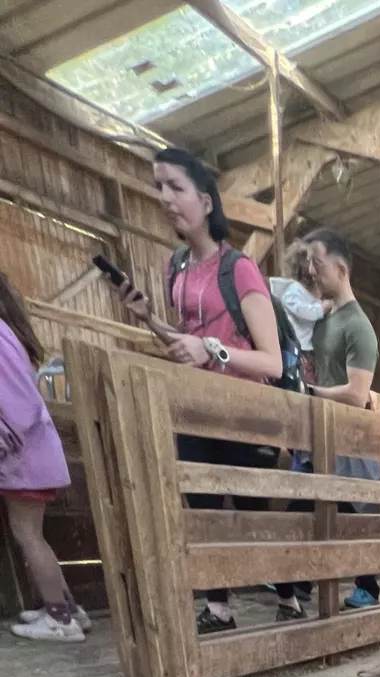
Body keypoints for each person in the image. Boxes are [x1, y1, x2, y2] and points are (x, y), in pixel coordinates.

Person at [116, 146, 303, 633]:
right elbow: (187, 345)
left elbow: (271, 361)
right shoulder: (176, 268)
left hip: (245, 412)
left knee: (252, 513)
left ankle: (288, 596)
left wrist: (212, 349)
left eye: (176, 187)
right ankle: (218, 607)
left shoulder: (237, 268)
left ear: (205, 200)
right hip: (195, 408)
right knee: (201, 509)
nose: (165, 197)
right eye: (159, 187)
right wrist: (149, 319)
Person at [0, 271, 89, 641]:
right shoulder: (9, 332)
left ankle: (61, 622)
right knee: (34, 535)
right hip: (31, 454)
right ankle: (68, 609)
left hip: (22, 457)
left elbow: (16, 405)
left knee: (28, 536)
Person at [303, 229, 380, 610]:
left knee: (355, 508)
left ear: (341, 269)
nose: (311, 271)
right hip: (319, 432)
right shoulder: (322, 319)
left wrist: (312, 393)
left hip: (349, 435)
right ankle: (298, 581)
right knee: (308, 499)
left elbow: (357, 394)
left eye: (317, 264)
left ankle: (368, 586)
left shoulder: (359, 326)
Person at [269, 239, 326, 381]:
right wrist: (322, 308)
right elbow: (305, 312)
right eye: (310, 261)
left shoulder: (312, 293)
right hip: (294, 345)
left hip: (306, 348)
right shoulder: (294, 289)